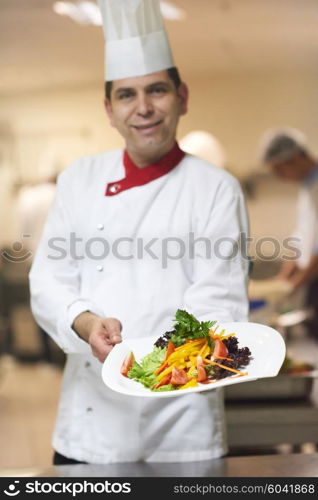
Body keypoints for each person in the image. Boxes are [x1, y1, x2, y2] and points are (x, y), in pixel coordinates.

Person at [29, 0, 249, 464]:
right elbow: (49, 279)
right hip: (90, 426)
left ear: (182, 97)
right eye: (127, 95)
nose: (144, 108)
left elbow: (217, 302)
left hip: (181, 424)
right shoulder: (79, 179)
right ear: (108, 109)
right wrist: (87, 324)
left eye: (157, 91)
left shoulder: (216, 189)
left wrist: (147, 366)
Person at [259, 128, 318, 336]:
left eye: (280, 170)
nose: (280, 177)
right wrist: (283, 280)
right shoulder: (308, 188)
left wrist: (292, 285)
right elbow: (303, 239)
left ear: (295, 158)